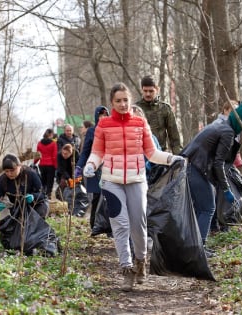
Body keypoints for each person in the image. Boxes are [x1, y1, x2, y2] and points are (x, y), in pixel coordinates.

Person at [83, 82, 183, 292]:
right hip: (111, 181)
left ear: (130, 100)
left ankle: (140, 261)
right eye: (118, 101)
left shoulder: (139, 124)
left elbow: (152, 153)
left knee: (138, 225)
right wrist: (91, 165)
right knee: (120, 225)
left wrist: (172, 158)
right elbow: (98, 152)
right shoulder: (104, 125)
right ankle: (126, 268)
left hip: (137, 180)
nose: (122, 104)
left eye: (125, 100)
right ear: (112, 103)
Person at [181, 102, 242, 254]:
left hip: (193, 166)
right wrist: (226, 189)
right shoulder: (227, 132)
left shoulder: (222, 126)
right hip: (196, 169)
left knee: (203, 208)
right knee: (208, 208)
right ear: (241, 121)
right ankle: (199, 249)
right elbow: (218, 163)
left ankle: (194, 246)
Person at [75, 106, 109, 230]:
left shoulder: (111, 130)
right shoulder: (91, 132)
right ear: (96, 117)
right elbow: (85, 151)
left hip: (109, 167)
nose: (103, 118)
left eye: (105, 115)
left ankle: (107, 226)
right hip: (94, 168)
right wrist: (79, 166)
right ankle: (94, 225)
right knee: (96, 198)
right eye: (100, 116)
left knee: (109, 197)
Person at [135, 75, 182, 154]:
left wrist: (178, 157)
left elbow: (174, 139)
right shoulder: (135, 109)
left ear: (157, 89)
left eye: (151, 91)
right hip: (141, 155)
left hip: (161, 153)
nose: (148, 94)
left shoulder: (165, 109)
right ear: (141, 90)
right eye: (145, 91)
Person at [0, 154, 49, 219]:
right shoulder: (2, 180)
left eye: (12, 170)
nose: (9, 174)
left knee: (36, 217)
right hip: (17, 206)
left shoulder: (30, 174)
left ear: (19, 166)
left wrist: (33, 197)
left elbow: (43, 194)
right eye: (6, 171)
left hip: (36, 205)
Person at [35, 129, 58, 198]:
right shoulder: (53, 144)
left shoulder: (39, 143)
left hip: (42, 165)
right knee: (50, 181)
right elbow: (54, 156)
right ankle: (48, 195)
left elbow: (37, 155)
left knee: (43, 180)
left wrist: (34, 162)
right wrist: (56, 166)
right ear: (51, 135)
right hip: (50, 165)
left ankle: (42, 194)